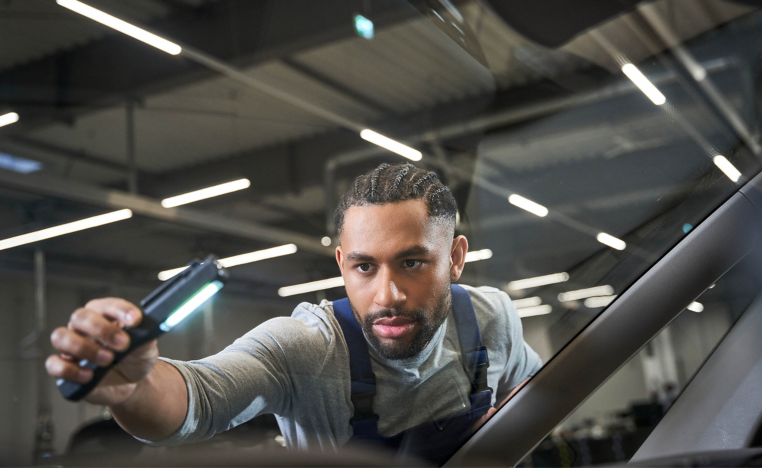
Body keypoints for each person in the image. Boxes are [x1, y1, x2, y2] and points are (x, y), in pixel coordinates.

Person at [46, 163, 542, 464]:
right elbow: (196, 399)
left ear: (455, 258)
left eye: (412, 262)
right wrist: (136, 388)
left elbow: (539, 390)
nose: (387, 294)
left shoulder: (490, 319)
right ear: (342, 265)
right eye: (365, 267)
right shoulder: (307, 347)